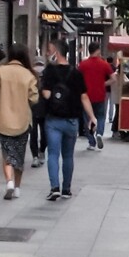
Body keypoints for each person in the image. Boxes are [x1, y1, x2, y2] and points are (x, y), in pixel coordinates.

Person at [41, 37, 97, 201]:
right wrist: (92, 117)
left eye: (50, 51)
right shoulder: (76, 73)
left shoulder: (49, 72)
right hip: (72, 120)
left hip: (53, 120)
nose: (47, 53)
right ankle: (66, 189)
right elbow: (84, 97)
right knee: (67, 156)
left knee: (52, 154)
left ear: (56, 53)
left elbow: (46, 94)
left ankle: (54, 187)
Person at [0, 44, 39, 200]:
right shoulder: (29, 75)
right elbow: (34, 98)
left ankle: (9, 183)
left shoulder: (0, 72)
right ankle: (18, 187)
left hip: (3, 120)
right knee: (19, 154)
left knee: (7, 153)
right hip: (22, 121)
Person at [78, 41, 113, 150]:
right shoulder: (104, 64)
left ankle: (91, 142)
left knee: (87, 119)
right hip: (100, 95)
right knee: (101, 116)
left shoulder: (83, 64)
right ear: (98, 50)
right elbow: (114, 78)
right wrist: (104, 84)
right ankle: (99, 133)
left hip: (86, 97)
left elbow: (77, 79)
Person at [29, 55, 47, 168]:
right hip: (38, 109)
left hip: (38, 109)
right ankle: (38, 154)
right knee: (39, 134)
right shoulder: (31, 77)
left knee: (39, 134)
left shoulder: (46, 78)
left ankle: (38, 153)